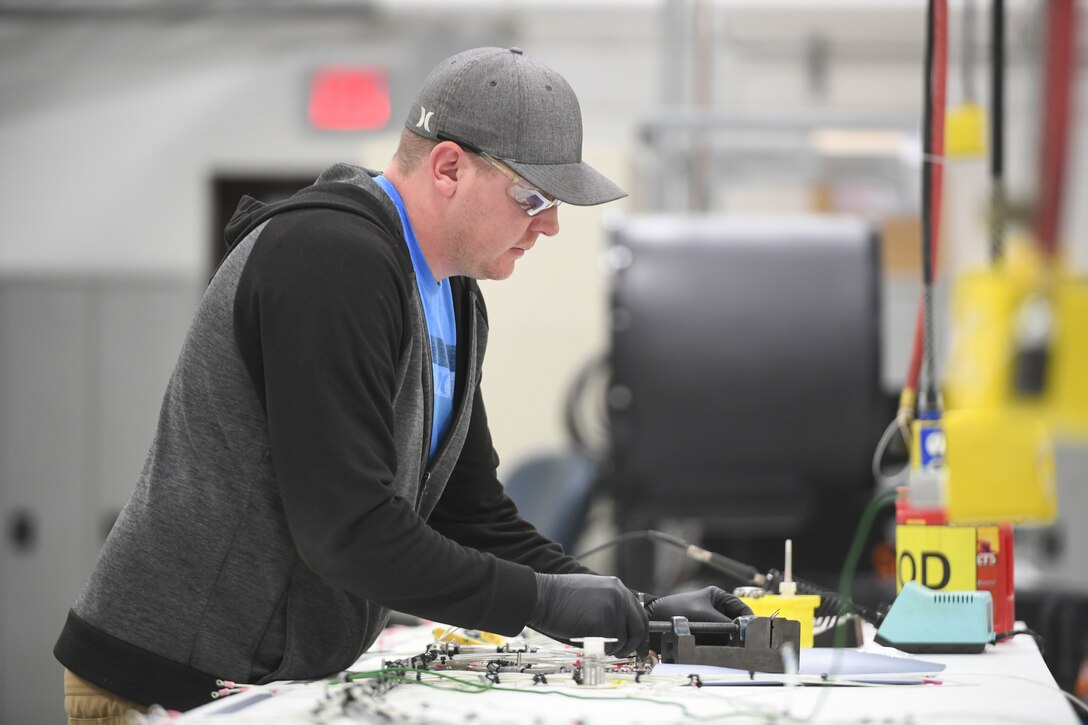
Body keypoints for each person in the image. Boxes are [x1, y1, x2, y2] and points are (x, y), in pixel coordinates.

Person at [54, 46, 751, 722]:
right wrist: (540, 602)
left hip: (268, 679)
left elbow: (471, 514)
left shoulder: (450, 296)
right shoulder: (331, 259)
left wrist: (637, 609)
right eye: (533, 197)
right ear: (448, 167)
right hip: (166, 679)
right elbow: (348, 530)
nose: (552, 226)